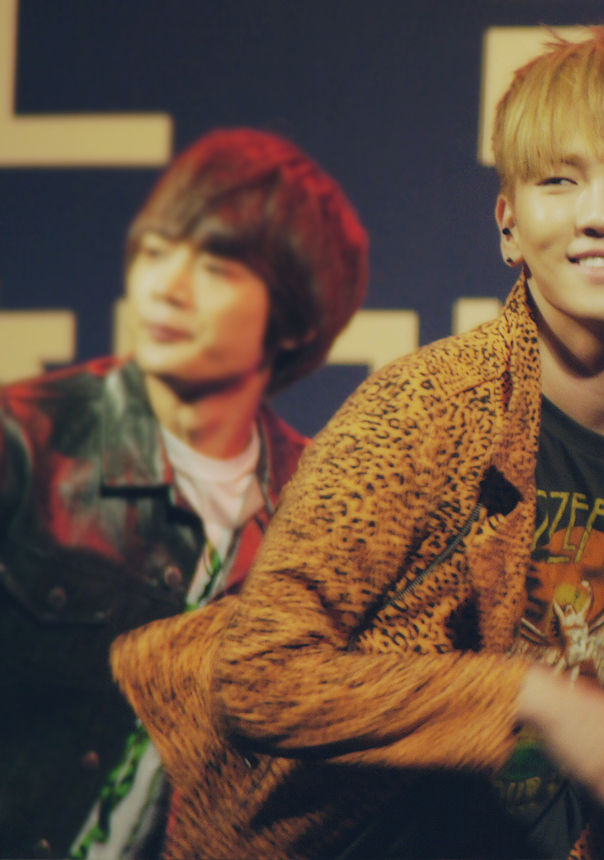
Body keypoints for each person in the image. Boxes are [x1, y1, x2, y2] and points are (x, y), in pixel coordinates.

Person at [112, 25, 604, 859]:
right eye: (558, 181)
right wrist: (522, 700)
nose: (601, 216)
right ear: (509, 225)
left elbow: (592, 675)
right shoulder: (431, 408)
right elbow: (257, 677)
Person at [0, 128, 369, 859]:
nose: (165, 288)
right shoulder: (26, 445)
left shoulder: (319, 508)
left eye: (215, 267)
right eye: (155, 251)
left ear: (294, 317)